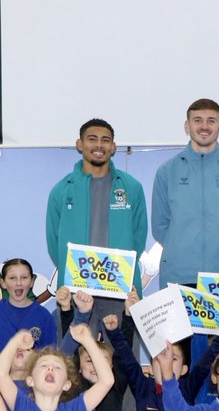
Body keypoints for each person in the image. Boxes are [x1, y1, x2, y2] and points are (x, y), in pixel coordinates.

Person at [45, 117, 148, 335]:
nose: (99, 145)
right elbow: (54, 242)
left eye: (105, 140)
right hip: (76, 291)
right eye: (92, 139)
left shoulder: (132, 188)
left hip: (120, 290)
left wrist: (121, 269)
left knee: (122, 353)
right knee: (73, 352)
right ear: (79, 144)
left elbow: (139, 237)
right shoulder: (61, 190)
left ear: (113, 147)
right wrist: (75, 271)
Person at [152, 98, 219, 287]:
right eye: (197, 120)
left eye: (211, 120)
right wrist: (182, 250)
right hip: (179, 274)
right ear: (187, 126)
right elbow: (160, 226)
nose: (204, 126)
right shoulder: (167, 171)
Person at [0, 258, 57, 358]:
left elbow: (50, 355)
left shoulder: (44, 315)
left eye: (24, 277)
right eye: (12, 278)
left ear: (32, 281)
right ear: (3, 283)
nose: (18, 283)